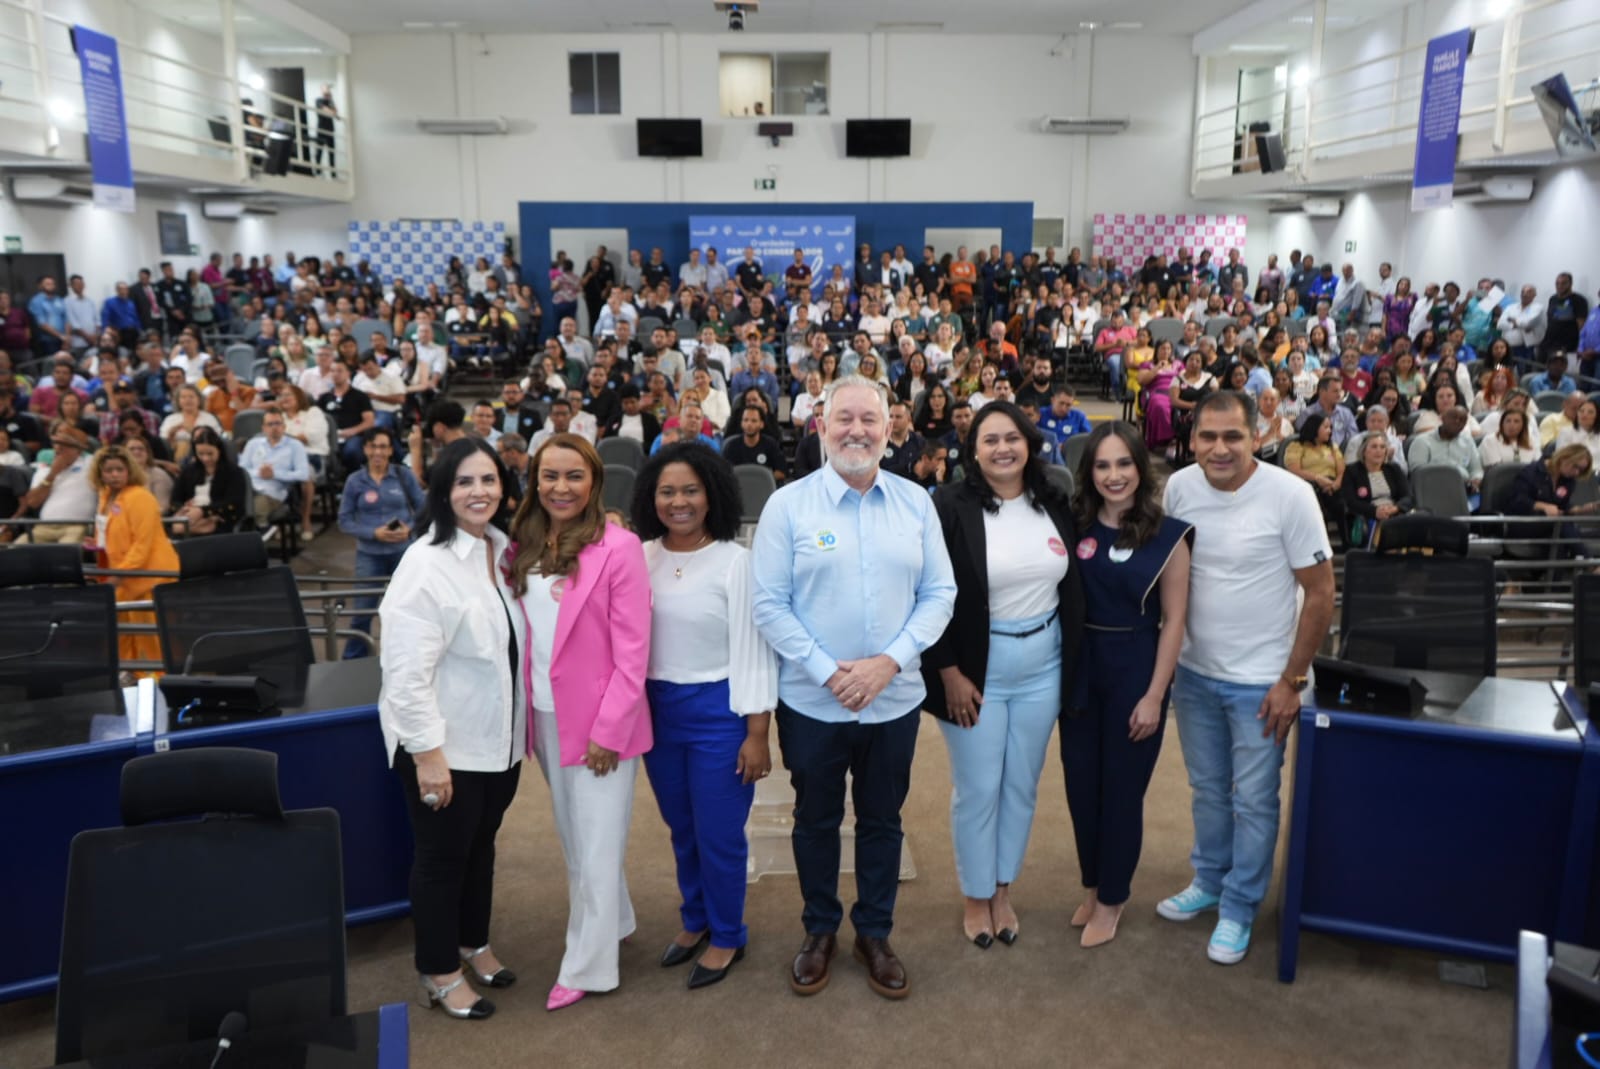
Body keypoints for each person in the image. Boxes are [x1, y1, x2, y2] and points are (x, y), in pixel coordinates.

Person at [751, 375, 957, 1001]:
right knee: (814, 819)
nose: (857, 431)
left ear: (891, 429)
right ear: (821, 426)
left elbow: (940, 594)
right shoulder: (788, 507)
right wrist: (830, 671)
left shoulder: (917, 503)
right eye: (845, 419)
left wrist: (886, 664)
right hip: (814, 702)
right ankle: (819, 931)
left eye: (870, 420)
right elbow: (768, 604)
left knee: (881, 819)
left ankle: (873, 932)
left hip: (893, 699)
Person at [1159, 390, 1335, 965]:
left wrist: (1293, 678)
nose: (1219, 448)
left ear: (1256, 436)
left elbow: (1320, 593)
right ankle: (1210, 880)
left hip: (1261, 682)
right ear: (1192, 440)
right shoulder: (1179, 487)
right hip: (1193, 673)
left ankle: (1239, 905)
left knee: (1255, 800)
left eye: (1233, 436)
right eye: (1207, 437)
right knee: (1209, 791)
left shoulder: (1292, 495)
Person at [921, 401, 1084, 949]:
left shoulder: (1055, 501)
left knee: (1021, 784)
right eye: (989, 440)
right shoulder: (948, 505)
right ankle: (974, 895)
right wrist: (946, 669)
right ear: (973, 450)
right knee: (979, 786)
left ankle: (1001, 888)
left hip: (1044, 665)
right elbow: (928, 593)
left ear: (1029, 442)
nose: (1002, 449)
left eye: (1011, 437)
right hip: (973, 670)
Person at [377, 438, 525, 1022]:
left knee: (480, 849)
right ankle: (438, 971)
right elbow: (405, 670)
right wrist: (428, 755)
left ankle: (473, 943)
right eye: (464, 482)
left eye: (488, 480)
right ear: (442, 492)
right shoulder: (426, 562)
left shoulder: (503, 548)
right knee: (442, 860)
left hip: (497, 741)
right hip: (444, 746)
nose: (478, 492)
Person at [508, 433, 652, 1010]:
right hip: (544, 713)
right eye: (549, 476)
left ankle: (589, 966)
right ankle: (613, 918)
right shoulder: (523, 545)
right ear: (535, 481)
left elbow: (633, 651)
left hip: (601, 724)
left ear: (593, 482)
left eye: (573, 476)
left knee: (595, 844)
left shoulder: (619, 548)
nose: (560, 487)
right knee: (576, 837)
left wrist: (608, 731)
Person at [631, 444, 778, 989]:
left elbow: (755, 649)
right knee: (682, 828)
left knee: (719, 833)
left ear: (712, 493)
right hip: (656, 713)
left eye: (691, 489)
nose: (679, 501)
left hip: (719, 713)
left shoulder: (735, 562)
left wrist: (757, 733)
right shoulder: (639, 556)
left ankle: (727, 934)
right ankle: (695, 919)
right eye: (667, 491)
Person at [1062, 422, 1193, 947]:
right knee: (1080, 789)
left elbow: (1175, 621)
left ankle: (1113, 898)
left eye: (1123, 463)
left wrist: (1155, 696)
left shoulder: (1170, 534)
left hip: (1134, 671)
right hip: (1079, 670)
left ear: (1141, 467)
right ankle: (1092, 885)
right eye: (1102, 465)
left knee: (1120, 794)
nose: (1114, 476)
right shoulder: (1075, 526)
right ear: (1089, 473)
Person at [87, 443, 179, 673]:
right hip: (122, 578)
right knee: (123, 635)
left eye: (119, 469)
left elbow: (142, 544)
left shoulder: (141, 497)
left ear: (129, 470)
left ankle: (159, 682)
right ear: (100, 473)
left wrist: (117, 575)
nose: (115, 475)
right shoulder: (105, 496)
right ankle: (131, 677)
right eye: (109, 470)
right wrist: (97, 546)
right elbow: (109, 533)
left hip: (148, 577)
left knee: (150, 639)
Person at [340, 426, 426, 658]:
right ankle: (352, 663)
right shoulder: (355, 481)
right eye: (373, 446)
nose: (378, 452)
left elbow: (424, 509)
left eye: (383, 447)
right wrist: (373, 533)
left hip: (403, 553)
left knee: (410, 609)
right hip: (369, 555)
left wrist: (410, 530)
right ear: (366, 449)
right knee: (362, 612)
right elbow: (344, 521)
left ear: (390, 450)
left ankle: (411, 657)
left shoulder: (403, 475)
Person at [238, 406, 311, 529]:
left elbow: (303, 474)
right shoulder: (253, 444)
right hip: (248, 489)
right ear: (264, 428)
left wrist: (274, 474)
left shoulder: (294, 446)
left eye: (277, 423)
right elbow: (241, 470)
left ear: (284, 426)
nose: (274, 427)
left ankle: (262, 534)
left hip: (271, 493)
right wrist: (259, 473)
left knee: (255, 509)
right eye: (270, 424)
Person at [1341, 431, 1413, 547]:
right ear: (1364, 451)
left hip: (1394, 512)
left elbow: (1408, 497)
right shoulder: (1352, 471)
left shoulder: (1393, 469)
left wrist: (1395, 508)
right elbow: (1350, 502)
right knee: (1387, 525)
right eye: (1374, 447)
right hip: (1368, 514)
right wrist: (1375, 511)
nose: (1379, 450)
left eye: (1382, 447)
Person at [170, 427, 247, 536]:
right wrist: (184, 508)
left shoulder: (233, 472)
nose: (205, 458)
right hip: (190, 516)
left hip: (220, 519)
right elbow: (175, 499)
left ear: (219, 451)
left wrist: (204, 511)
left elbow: (234, 503)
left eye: (210, 454)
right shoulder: (188, 471)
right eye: (200, 454)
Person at [1284, 413, 1345, 526]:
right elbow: (1294, 470)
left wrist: (1334, 485)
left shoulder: (1332, 447)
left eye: (1330, 428)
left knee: (1339, 501)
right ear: (1314, 427)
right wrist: (1318, 478)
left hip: (1332, 485)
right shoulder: (1297, 446)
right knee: (1316, 497)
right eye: (1326, 427)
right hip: (1308, 484)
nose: (1329, 431)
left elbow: (1342, 472)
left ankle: (1348, 541)